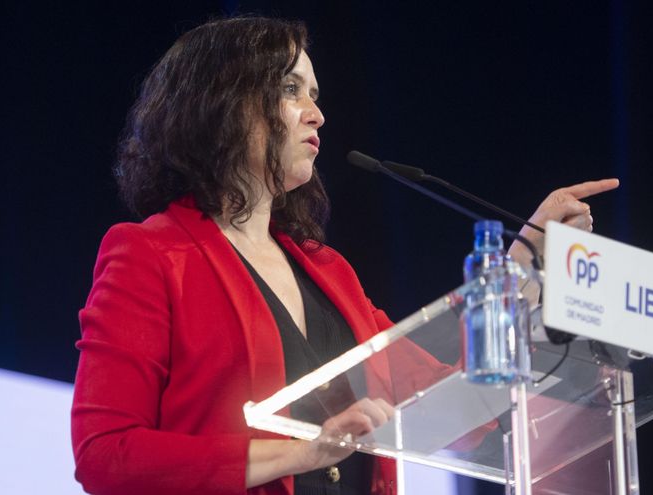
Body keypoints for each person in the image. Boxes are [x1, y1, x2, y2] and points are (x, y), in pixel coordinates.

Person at [70, 16, 619, 495]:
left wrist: (524, 259)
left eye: (316, 94)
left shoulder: (331, 273)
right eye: (292, 90)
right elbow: (106, 455)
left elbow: (460, 412)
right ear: (226, 102)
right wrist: (305, 451)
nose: (317, 115)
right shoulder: (152, 253)